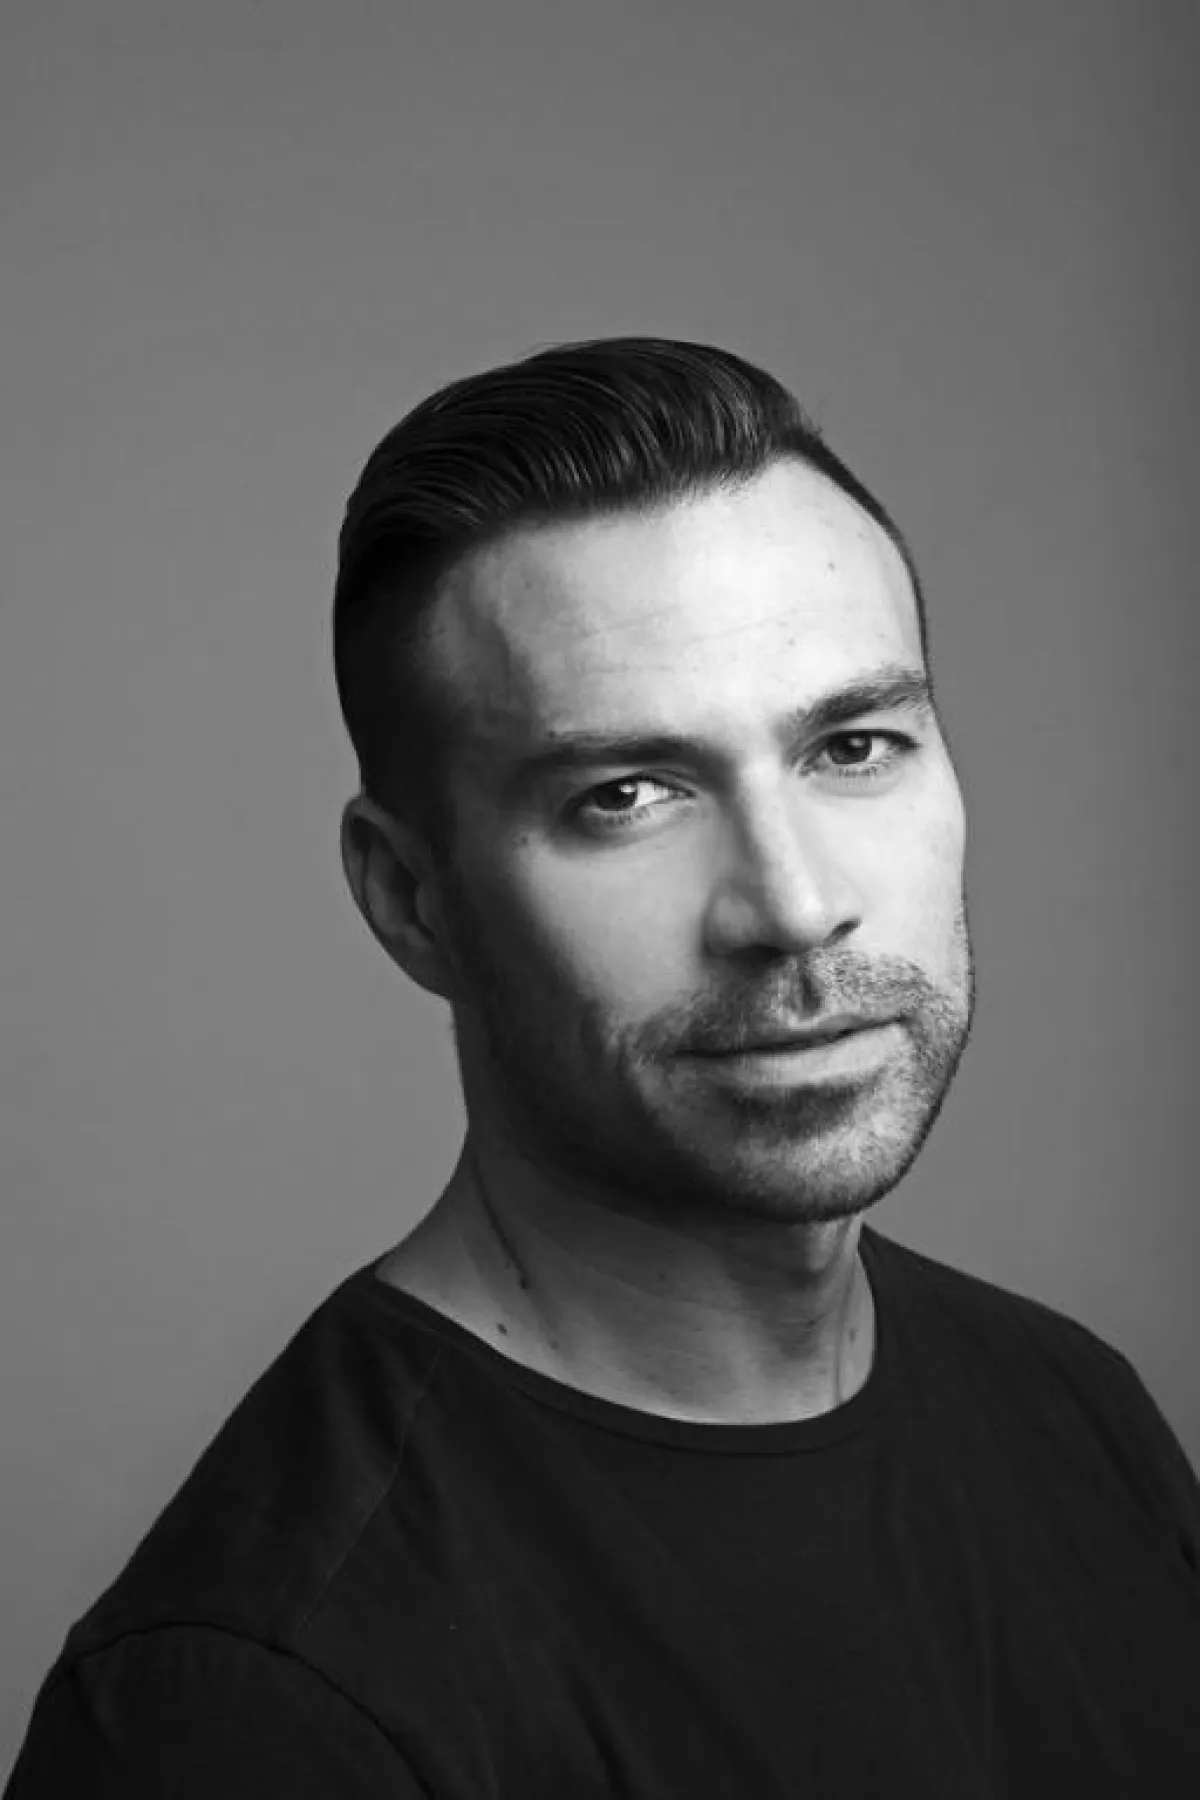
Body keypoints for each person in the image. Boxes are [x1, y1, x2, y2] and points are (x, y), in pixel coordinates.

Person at [7, 337, 1200, 1798]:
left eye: (853, 745)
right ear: (412, 900)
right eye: (627, 795)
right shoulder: (248, 1707)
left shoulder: (1076, 1412)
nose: (793, 904)